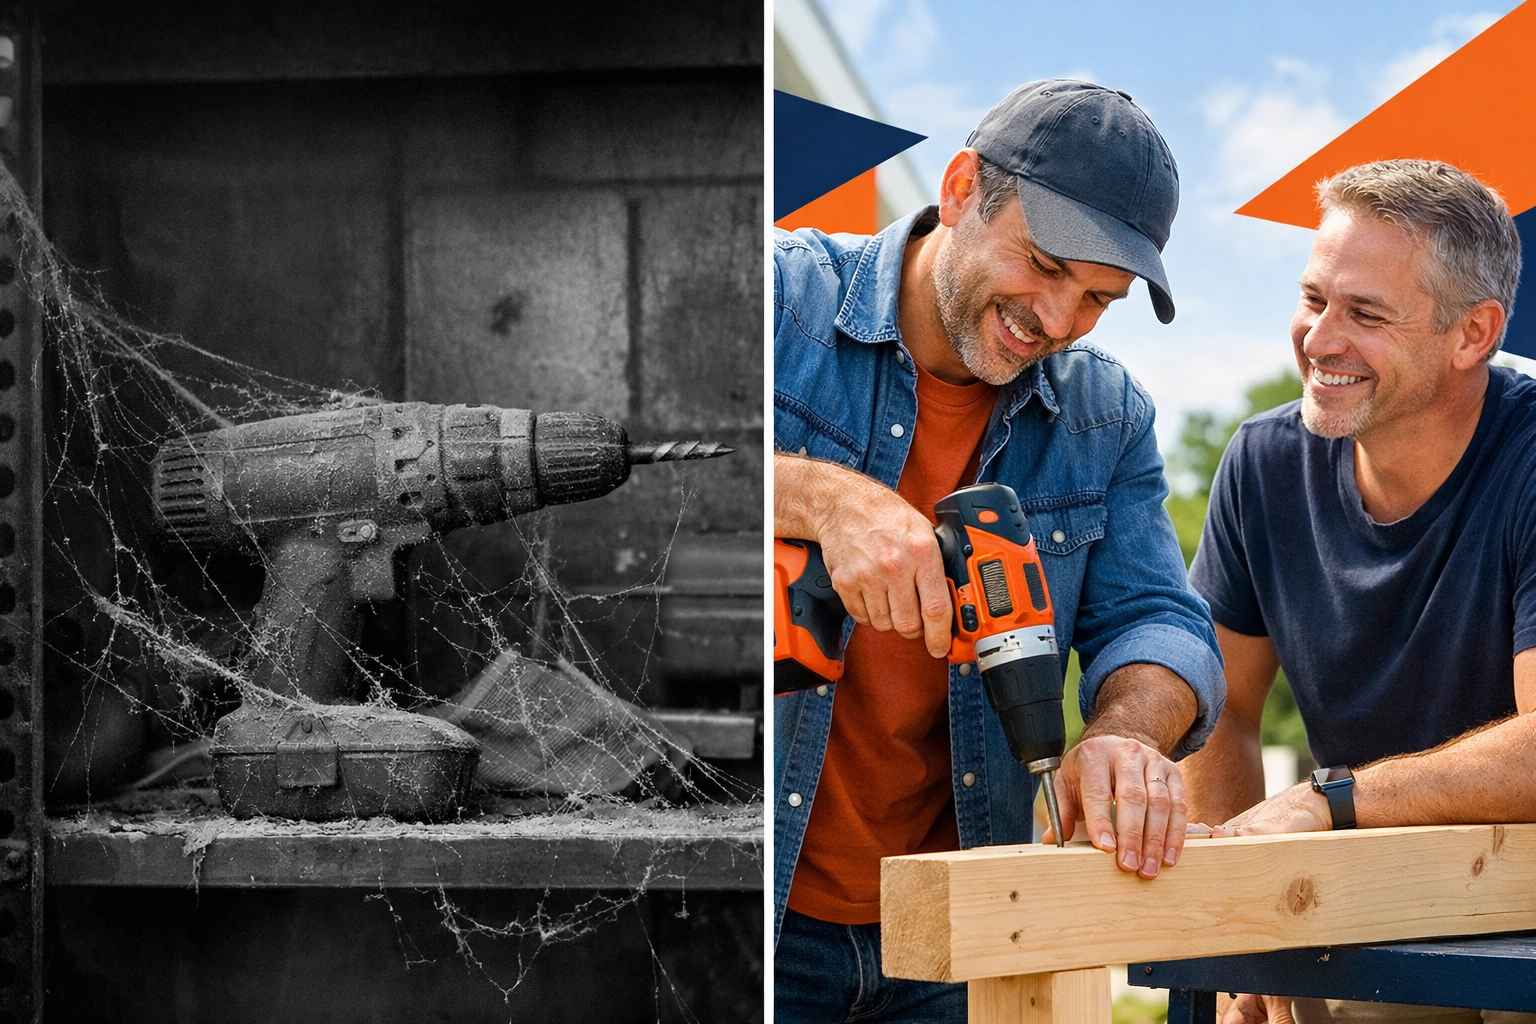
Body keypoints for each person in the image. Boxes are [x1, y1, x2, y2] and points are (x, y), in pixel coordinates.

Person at [773, 79, 1225, 1023]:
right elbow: (639, 460)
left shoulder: (1104, 415)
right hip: (756, 914)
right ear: (961, 186)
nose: (1058, 321)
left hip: (962, 924)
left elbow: (1160, 624)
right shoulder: (779, 302)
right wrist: (819, 497)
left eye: (1099, 298)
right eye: (1045, 264)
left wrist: (1125, 734)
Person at [1181, 159, 1536, 1024]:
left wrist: (1328, 799)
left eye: (1365, 313)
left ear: (1472, 334)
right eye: (1314, 298)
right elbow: (1218, 708)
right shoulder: (1262, 464)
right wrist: (1238, 923)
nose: (1320, 338)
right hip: (1378, 893)